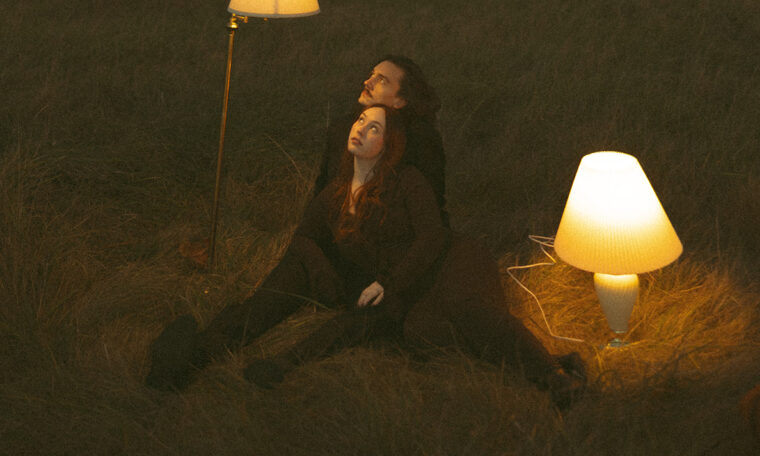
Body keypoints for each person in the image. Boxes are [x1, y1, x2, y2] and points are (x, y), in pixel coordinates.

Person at [241, 104, 585, 409]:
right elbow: (303, 236)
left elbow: (432, 238)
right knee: (424, 337)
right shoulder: (336, 193)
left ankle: (554, 376)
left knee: (469, 311)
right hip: (404, 288)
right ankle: (283, 365)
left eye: (374, 127)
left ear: (388, 144)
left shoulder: (406, 180)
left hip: (449, 261)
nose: (360, 129)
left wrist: (388, 284)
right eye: (360, 120)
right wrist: (322, 273)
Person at [146, 56, 447, 391]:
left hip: (381, 267)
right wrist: (319, 266)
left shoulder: (417, 152)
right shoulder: (344, 134)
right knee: (283, 281)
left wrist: (393, 280)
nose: (368, 81)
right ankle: (193, 357)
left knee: (367, 316)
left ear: (400, 100)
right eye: (370, 75)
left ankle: (280, 367)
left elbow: (430, 227)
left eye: (382, 80)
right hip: (339, 250)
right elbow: (316, 213)